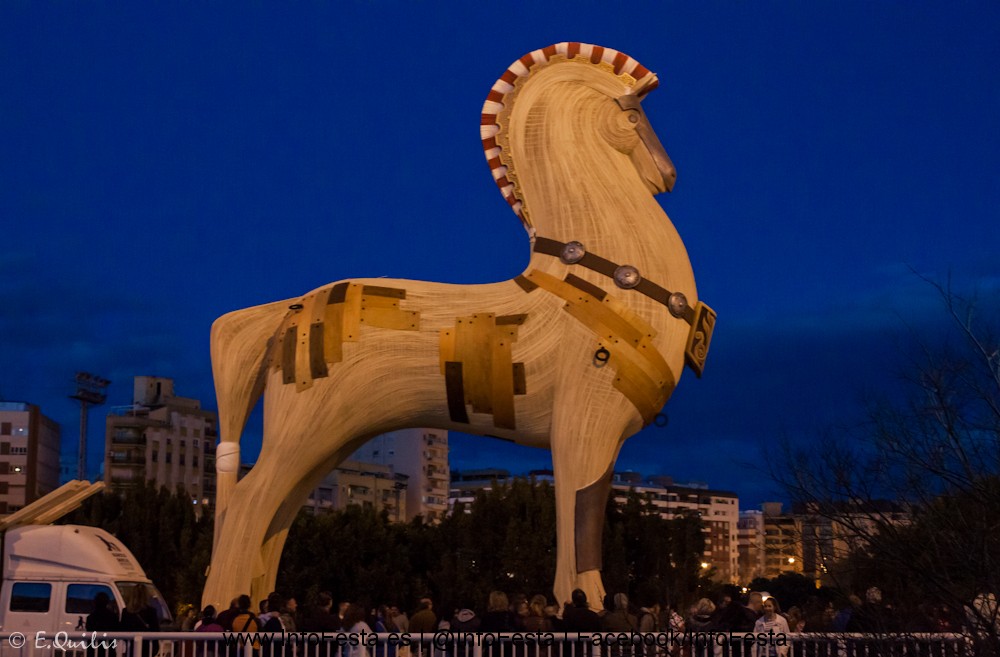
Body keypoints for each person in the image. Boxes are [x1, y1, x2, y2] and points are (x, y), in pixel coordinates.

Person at [119, 586, 160, 657]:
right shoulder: (151, 611)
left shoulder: (126, 612)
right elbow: (156, 630)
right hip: (147, 648)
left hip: (131, 648)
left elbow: (122, 630)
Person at [86, 592, 119, 657]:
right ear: (107, 602)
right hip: (109, 650)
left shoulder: (90, 618)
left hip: (94, 651)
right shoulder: (113, 617)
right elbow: (117, 631)